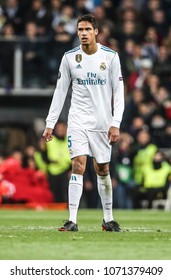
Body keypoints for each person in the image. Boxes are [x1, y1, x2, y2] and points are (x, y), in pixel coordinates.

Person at [42, 14, 125, 232]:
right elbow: (60, 92)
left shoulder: (110, 57)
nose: (83, 33)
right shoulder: (69, 57)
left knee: (102, 169)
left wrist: (115, 122)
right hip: (77, 121)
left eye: (87, 29)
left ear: (96, 32)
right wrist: (51, 122)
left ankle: (108, 219)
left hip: (102, 123)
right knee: (77, 165)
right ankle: (72, 220)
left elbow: (119, 93)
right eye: (80, 30)